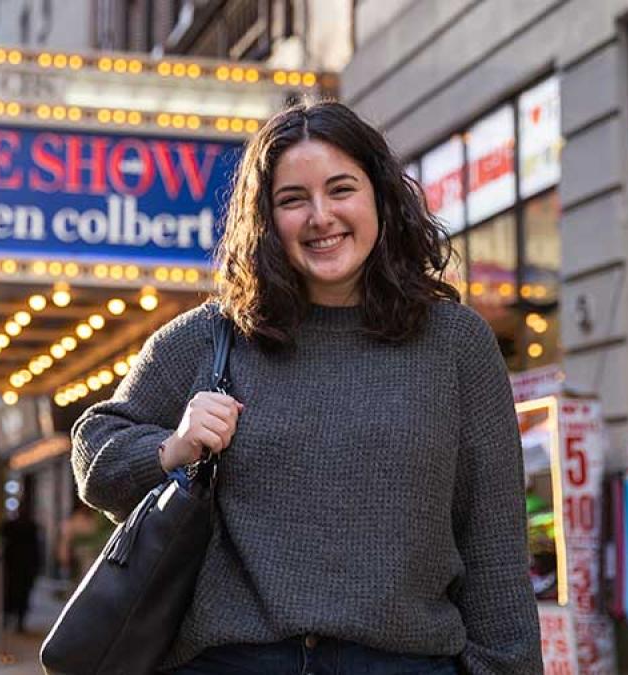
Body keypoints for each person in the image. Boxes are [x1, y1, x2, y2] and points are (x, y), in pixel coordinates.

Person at [71, 101, 542, 674]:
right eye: (293, 199)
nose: (321, 216)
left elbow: (494, 546)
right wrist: (172, 447)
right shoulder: (215, 334)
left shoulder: (455, 343)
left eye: (340, 189)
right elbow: (94, 448)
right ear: (267, 219)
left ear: (380, 196)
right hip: (234, 662)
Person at [0, 498, 40, 633]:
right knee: (22, 595)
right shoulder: (31, 526)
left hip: (13, 565)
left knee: (10, 593)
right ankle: (19, 622)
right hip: (24, 566)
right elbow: (36, 549)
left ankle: (8, 619)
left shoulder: (10, 526)